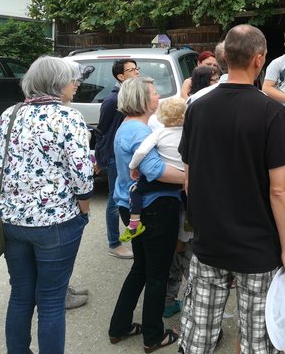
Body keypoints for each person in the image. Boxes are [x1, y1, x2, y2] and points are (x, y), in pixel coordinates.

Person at [178, 24, 285, 354]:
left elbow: (189, 181)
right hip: (258, 248)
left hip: (209, 242)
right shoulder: (272, 113)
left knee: (197, 338)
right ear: (259, 60)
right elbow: (279, 190)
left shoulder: (197, 109)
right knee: (257, 341)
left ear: (225, 58)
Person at [0, 56, 94, 354]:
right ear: (58, 84)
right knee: (50, 301)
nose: (77, 85)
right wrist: (84, 210)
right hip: (57, 224)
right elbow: (82, 177)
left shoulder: (9, 115)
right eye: (74, 79)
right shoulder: (68, 117)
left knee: (20, 295)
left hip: (11, 223)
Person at [108, 77, 185, 353]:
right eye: (154, 93)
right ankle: (153, 336)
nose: (158, 97)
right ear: (142, 99)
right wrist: (191, 178)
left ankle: (120, 326)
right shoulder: (141, 132)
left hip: (131, 206)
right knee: (157, 273)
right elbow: (157, 171)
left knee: (140, 268)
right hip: (154, 209)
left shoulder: (125, 127)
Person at [119, 97, 187, 242]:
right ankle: (190, 220)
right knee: (186, 195)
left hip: (163, 177)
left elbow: (141, 152)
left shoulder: (159, 133)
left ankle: (134, 224)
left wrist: (132, 166)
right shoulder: (188, 133)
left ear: (161, 116)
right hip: (182, 177)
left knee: (136, 190)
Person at [95, 58, 141, 260]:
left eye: (136, 69)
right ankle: (114, 243)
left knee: (128, 195)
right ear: (120, 76)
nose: (136, 73)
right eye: (131, 70)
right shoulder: (113, 100)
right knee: (115, 199)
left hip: (129, 155)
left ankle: (131, 233)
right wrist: (100, 159)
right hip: (115, 156)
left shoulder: (131, 95)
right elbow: (102, 132)